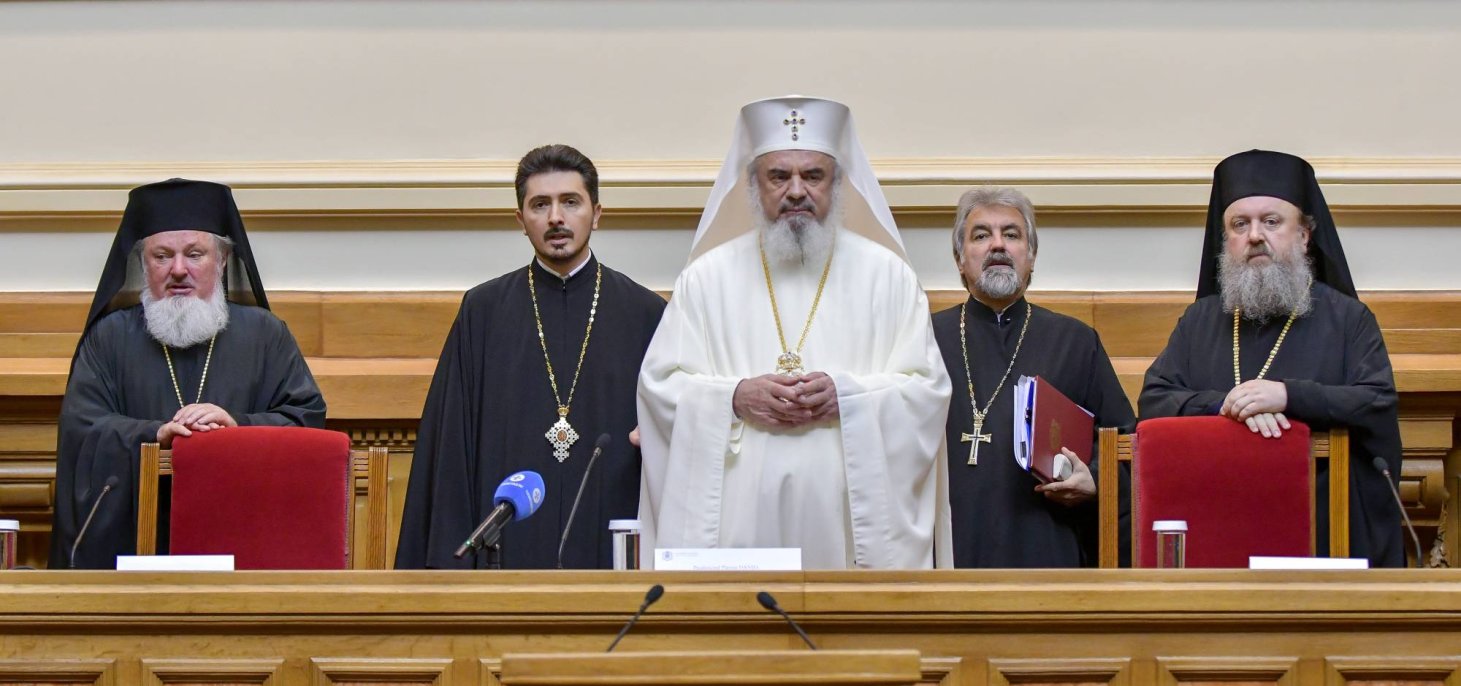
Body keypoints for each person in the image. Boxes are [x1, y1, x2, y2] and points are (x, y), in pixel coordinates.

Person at [637, 96, 953, 569]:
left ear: (838, 184)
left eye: (814, 175)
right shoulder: (706, 279)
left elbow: (927, 393)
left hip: (849, 536)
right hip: (737, 533)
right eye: (779, 176)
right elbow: (660, 388)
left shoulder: (889, 277)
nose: (797, 190)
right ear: (753, 186)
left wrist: (847, 397)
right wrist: (735, 397)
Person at [396, 145, 666, 569]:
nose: (556, 218)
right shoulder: (482, 312)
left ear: (596, 213)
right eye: (540, 205)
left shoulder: (645, 313)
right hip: (507, 555)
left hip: (611, 546)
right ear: (521, 221)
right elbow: (450, 453)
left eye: (570, 202)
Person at [1140, 149, 1403, 566]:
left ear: (1303, 236)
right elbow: (1154, 399)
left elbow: (1376, 400)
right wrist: (1229, 406)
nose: (1255, 235)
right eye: (1239, 224)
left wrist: (1287, 396)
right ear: (1225, 240)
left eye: (1272, 221)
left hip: (1323, 536)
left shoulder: (1348, 319)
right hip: (1219, 525)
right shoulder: (1200, 320)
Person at [53, 178, 325, 569]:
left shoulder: (265, 335)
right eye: (161, 256)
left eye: (194, 254)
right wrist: (154, 436)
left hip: (244, 546)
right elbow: (83, 431)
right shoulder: (109, 338)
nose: (178, 270)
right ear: (142, 265)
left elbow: (306, 421)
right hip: (133, 552)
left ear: (223, 260)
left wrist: (238, 427)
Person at [933, 187, 1134, 567]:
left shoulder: (1075, 341)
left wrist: (1094, 481)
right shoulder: (925, 338)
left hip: (1047, 547)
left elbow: (1124, 444)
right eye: (981, 235)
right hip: (948, 548)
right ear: (960, 260)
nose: (998, 245)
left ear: (1031, 256)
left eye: (1011, 234)